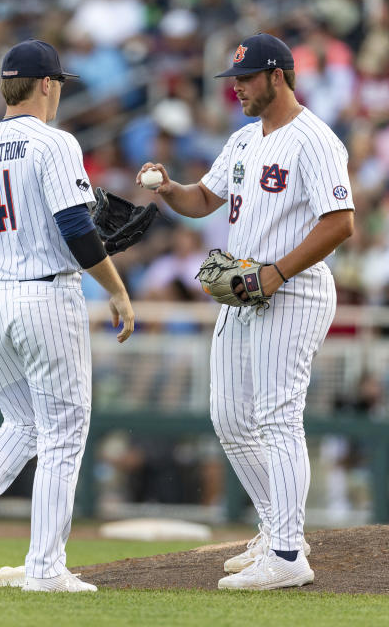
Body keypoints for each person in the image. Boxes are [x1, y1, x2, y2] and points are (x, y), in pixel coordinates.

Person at [138, 33, 355, 590]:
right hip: (243, 285)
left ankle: (286, 555)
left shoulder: (315, 139)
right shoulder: (241, 140)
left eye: (246, 78)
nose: (236, 88)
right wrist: (167, 188)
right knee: (230, 418)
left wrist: (277, 272)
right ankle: (279, 530)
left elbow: (340, 221)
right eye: (234, 79)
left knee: (278, 417)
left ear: (278, 76)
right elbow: (203, 199)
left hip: (295, 287)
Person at [0, 40, 135, 594]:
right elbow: (73, 225)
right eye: (60, 82)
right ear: (47, 84)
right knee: (65, 433)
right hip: (43, 296)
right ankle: (46, 568)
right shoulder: (54, 142)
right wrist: (116, 288)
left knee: (22, 423)